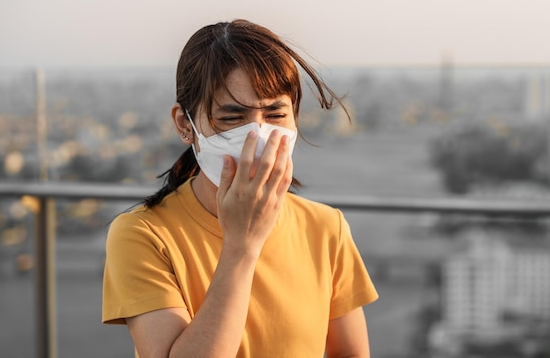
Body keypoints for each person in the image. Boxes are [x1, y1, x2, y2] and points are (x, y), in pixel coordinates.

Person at [102, 19, 378, 358]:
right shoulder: (143, 235)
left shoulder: (325, 228)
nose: (256, 135)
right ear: (184, 125)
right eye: (232, 118)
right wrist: (241, 247)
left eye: (276, 113)